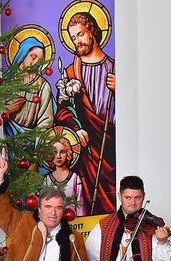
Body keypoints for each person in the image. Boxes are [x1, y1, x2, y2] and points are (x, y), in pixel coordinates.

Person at [55, 11, 116, 215]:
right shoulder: (72, 72)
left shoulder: (115, 69)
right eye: (73, 37)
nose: (77, 41)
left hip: (110, 146)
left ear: (92, 32)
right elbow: (62, 112)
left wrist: (120, 91)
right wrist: (75, 129)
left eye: (80, 34)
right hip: (85, 149)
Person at [4, 35, 54, 137]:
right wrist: (6, 111)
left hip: (32, 140)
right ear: (23, 54)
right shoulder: (6, 82)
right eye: (33, 57)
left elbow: (46, 120)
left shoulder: (43, 85)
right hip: (8, 135)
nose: (35, 63)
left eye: (40, 61)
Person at [43, 137, 86, 216]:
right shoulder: (47, 180)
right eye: (55, 152)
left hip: (73, 222)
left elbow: (80, 204)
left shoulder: (74, 178)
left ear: (68, 154)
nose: (58, 156)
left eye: (62, 152)